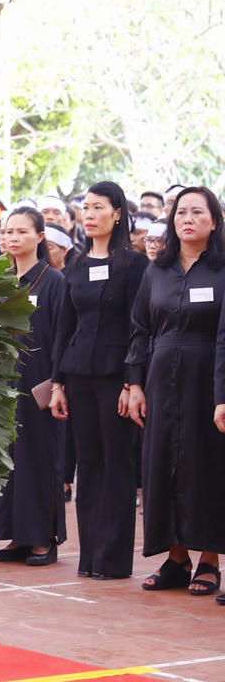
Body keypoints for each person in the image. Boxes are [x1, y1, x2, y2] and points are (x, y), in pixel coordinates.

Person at [127, 187, 225, 598]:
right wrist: (133, 383)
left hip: (208, 376)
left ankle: (210, 560)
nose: (186, 218)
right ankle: (176, 557)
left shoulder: (222, 269)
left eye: (196, 212)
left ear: (214, 221)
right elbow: (140, 328)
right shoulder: (157, 270)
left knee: (206, 467)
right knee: (162, 463)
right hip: (160, 376)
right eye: (180, 212)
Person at [49, 182, 148, 580]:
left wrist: (132, 381)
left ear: (118, 213)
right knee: (87, 465)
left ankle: (112, 559)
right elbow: (65, 327)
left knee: (117, 464)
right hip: (77, 374)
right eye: (85, 208)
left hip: (116, 377)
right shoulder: (75, 264)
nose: (88, 214)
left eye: (98, 207)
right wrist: (57, 383)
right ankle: (89, 556)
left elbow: (138, 327)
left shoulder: (134, 264)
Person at [0, 208, 67, 566]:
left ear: (40, 237)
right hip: (5, 383)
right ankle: (17, 535)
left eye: (21, 231)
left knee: (40, 458)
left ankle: (43, 538)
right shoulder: (2, 280)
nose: (12, 237)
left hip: (40, 382)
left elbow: (64, 336)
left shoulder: (53, 281)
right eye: (8, 231)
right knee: (10, 460)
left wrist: (58, 382)